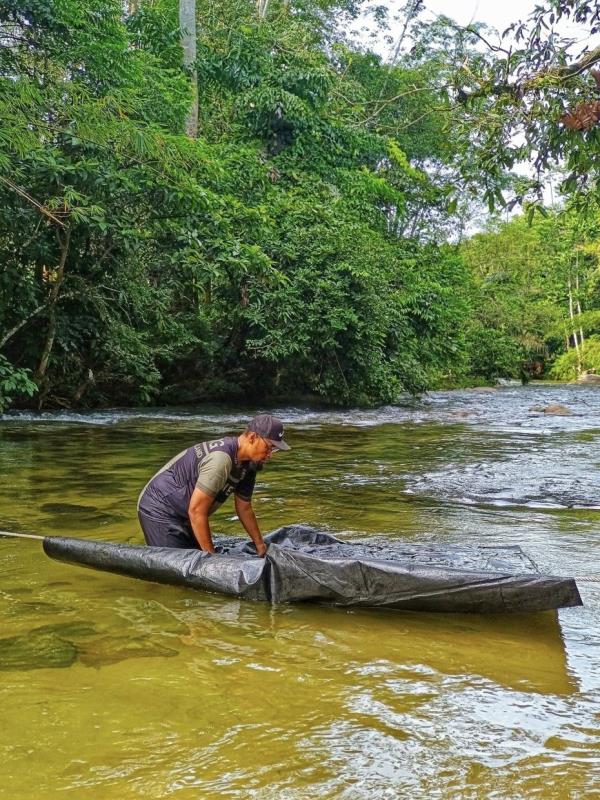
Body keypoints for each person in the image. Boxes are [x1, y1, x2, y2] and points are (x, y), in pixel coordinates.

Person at [137, 414, 290, 556]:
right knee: (179, 571)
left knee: (196, 558)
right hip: (158, 508)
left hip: (185, 513)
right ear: (252, 437)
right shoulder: (221, 459)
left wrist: (261, 547)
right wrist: (213, 560)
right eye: (269, 447)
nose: (270, 455)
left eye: (274, 449)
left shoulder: (249, 464)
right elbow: (197, 511)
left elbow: (244, 508)